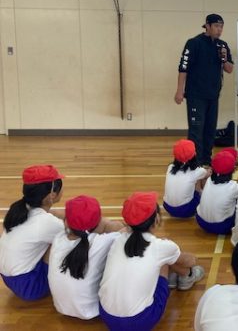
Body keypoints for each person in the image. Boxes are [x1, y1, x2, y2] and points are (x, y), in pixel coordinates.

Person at [99, 192, 205, 330]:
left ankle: (177, 278)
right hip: (140, 321)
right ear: (156, 219)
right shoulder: (160, 246)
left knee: (159, 258)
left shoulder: (117, 239)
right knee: (165, 260)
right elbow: (189, 261)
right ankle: (188, 276)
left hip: (107, 316)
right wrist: (193, 259)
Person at [48, 195, 124, 320]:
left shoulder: (58, 239)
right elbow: (125, 229)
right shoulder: (102, 242)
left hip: (61, 308)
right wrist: (107, 223)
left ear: (66, 222)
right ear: (98, 222)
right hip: (94, 310)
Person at [174, 13, 234, 166]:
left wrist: (224, 58)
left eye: (221, 27)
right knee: (196, 130)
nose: (219, 30)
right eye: (216, 26)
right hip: (195, 95)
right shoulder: (194, 43)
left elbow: (229, 69)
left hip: (213, 95)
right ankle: (194, 161)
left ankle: (206, 160)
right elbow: (183, 68)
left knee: (210, 130)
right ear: (207, 26)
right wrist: (179, 90)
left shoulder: (222, 46)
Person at [0, 165, 65, 301]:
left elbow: (52, 215)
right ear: (52, 195)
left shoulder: (20, 210)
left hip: (9, 278)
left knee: (50, 238)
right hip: (30, 286)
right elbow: (76, 230)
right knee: (65, 240)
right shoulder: (46, 222)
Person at [196, 150, 238, 234]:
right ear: (233, 170)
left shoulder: (209, 180)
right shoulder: (234, 187)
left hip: (201, 221)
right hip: (221, 227)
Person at [163, 139, 211, 218]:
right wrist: (207, 168)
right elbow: (208, 173)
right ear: (194, 154)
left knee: (196, 177)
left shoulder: (170, 167)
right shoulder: (197, 171)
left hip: (168, 207)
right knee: (200, 177)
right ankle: (202, 197)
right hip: (186, 210)